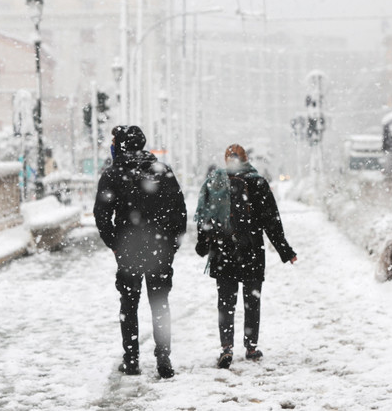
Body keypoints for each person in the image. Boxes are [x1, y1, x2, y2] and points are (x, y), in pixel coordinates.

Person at [94, 125, 187, 379]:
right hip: (159, 250)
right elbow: (179, 211)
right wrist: (171, 245)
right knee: (160, 304)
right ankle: (164, 358)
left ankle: (132, 359)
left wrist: (114, 243)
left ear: (121, 145)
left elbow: (102, 215)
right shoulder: (161, 171)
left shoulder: (113, 174)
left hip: (129, 251)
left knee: (129, 304)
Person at [195, 144, 297, 369]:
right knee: (252, 301)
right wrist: (285, 250)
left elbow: (205, 217)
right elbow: (272, 221)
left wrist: (203, 244)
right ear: (245, 159)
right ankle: (250, 347)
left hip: (223, 250)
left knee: (225, 303)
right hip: (251, 249)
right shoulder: (257, 182)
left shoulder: (216, 182)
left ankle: (226, 347)